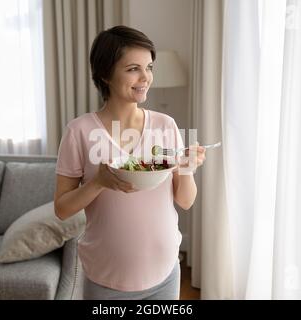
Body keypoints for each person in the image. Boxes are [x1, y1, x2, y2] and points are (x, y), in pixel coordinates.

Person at [54, 25, 206, 300]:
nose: (145, 77)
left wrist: (187, 168)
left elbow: (185, 200)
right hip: (105, 279)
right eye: (133, 68)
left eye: (149, 67)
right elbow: (62, 209)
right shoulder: (80, 131)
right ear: (104, 73)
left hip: (165, 274)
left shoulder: (165, 125)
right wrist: (98, 182)